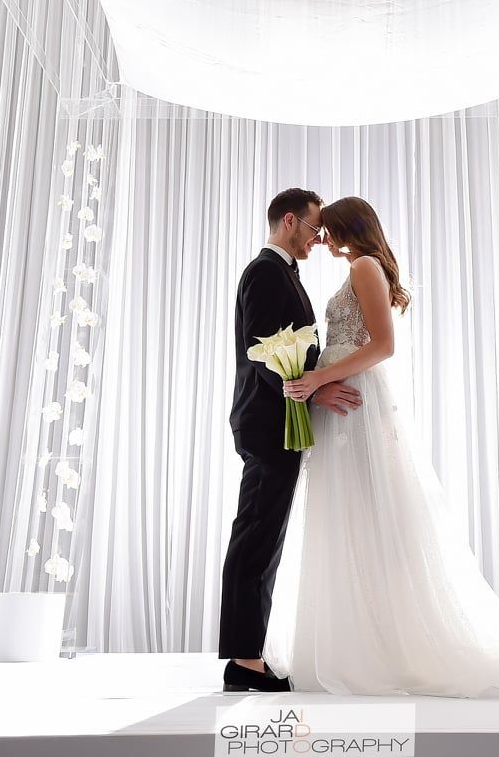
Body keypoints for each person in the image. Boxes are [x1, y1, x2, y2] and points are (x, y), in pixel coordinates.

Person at [262, 196, 499, 697]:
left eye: (326, 228)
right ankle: (353, 639)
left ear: (348, 227)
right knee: (343, 517)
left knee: (365, 513)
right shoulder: (357, 267)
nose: (320, 237)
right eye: (316, 228)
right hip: (339, 396)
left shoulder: (366, 266)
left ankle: (378, 647)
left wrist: (319, 376)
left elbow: (382, 345)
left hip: (355, 397)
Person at [218, 188, 364, 693]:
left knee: (266, 537)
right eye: (313, 228)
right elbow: (263, 351)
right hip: (266, 422)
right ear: (288, 222)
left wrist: (310, 387)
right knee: (256, 536)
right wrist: (312, 392)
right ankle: (242, 661)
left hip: (280, 419)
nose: (318, 238)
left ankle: (248, 656)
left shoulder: (284, 272)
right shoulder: (264, 271)